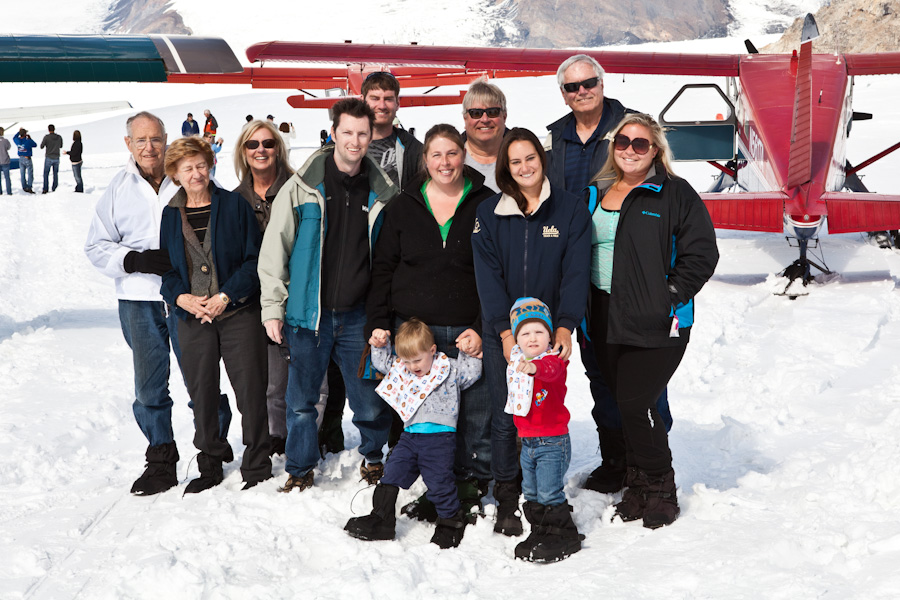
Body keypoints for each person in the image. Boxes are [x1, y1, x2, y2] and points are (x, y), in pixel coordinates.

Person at [84, 111, 231, 496]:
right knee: (149, 387)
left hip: (188, 298)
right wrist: (133, 260)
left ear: (167, 139)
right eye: (141, 140)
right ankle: (161, 458)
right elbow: (97, 245)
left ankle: (211, 451)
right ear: (129, 144)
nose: (149, 148)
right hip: (139, 300)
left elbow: (221, 225)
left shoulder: (188, 176)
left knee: (201, 378)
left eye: (156, 139)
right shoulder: (119, 188)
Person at [257, 98, 399, 493]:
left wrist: (384, 315)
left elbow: (390, 259)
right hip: (308, 314)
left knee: (368, 400)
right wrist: (273, 307)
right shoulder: (302, 187)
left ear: (372, 136)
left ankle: (373, 457)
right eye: (347, 132)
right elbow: (275, 250)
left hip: (358, 316)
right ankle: (300, 468)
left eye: (362, 133)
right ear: (333, 132)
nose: (354, 141)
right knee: (302, 401)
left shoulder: (382, 192)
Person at [545, 54, 671, 495]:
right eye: (571, 87)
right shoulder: (557, 138)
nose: (581, 91)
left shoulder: (630, 128)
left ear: (602, 82)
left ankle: (649, 463)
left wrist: (667, 285)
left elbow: (665, 196)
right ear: (562, 93)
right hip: (586, 277)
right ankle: (615, 458)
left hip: (636, 280)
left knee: (643, 378)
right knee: (600, 373)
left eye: (588, 82)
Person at [586, 113, 718, 528]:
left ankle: (662, 487)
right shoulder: (595, 193)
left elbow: (702, 254)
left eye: (640, 143)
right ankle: (638, 484)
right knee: (621, 404)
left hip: (658, 320)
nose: (629, 149)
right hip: (603, 315)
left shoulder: (675, 194)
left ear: (655, 150)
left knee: (637, 403)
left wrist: (669, 295)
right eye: (623, 141)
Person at [365, 123, 497, 521]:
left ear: (464, 156)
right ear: (424, 161)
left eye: (452, 153)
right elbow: (383, 270)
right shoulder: (403, 206)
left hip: (465, 332)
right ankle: (436, 484)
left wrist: (479, 323)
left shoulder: (485, 203)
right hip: (415, 332)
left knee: (474, 412)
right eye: (436, 154)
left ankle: (472, 481)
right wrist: (379, 322)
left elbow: (494, 271)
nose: (445, 162)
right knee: (423, 418)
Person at [471, 127, 590, 536]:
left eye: (530, 158)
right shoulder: (489, 213)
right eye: (515, 161)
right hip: (504, 336)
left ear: (543, 159)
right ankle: (509, 496)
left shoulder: (570, 209)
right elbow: (487, 278)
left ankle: (548, 494)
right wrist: (505, 334)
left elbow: (576, 272)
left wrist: (566, 325)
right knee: (508, 416)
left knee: (547, 415)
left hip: (547, 337)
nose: (524, 168)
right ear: (505, 167)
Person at [159, 136, 272, 493]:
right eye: (187, 168)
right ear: (175, 175)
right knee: (203, 392)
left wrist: (226, 294)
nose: (196, 174)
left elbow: (255, 260)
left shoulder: (235, 206)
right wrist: (182, 298)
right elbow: (168, 270)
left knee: (250, 391)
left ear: (211, 166)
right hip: (193, 318)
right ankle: (210, 460)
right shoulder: (169, 214)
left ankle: (257, 464)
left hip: (236, 312)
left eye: (201, 165)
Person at [344, 318, 482, 548]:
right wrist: (380, 344)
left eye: (417, 360)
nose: (412, 367)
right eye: (407, 361)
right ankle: (382, 518)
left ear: (433, 350)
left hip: (439, 439)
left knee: (439, 481)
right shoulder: (404, 370)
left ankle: (451, 521)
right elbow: (382, 363)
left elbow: (472, 373)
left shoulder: (448, 368)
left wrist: (469, 351)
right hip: (409, 437)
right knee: (392, 474)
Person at [506, 297, 582, 563]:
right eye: (525, 333)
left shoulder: (553, 361)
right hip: (527, 442)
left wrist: (533, 367)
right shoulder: (516, 360)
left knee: (550, 491)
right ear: (517, 339)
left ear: (549, 335)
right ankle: (541, 531)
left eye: (540, 331)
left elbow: (549, 371)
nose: (533, 337)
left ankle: (563, 534)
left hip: (552, 441)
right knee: (532, 491)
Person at [234, 119, 294, 456]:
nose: (261, 150)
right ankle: (273, 433)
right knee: (267, 376)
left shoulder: (298, 188)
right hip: (250, 298)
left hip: (294, 293)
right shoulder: (234, 198)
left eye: (268, 144)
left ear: (278, 149)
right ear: (243, 152)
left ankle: (309, 434)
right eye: (253, 145)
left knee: (304, 375)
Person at [361, 72, 423, 191]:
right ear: (362, 101)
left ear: (398, 103)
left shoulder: (415, 150)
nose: (382, 106)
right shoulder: (342, 146)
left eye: (388, 99)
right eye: (375, 98)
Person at [462, 80, 508, 193]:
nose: (485, 119)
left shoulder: (525, 156)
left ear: (504, 116)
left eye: (492, 112)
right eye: (476, 113)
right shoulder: (448, 161)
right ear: (465, 119)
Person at [13, 128, 37, 194]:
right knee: (30, 173)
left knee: (22, 173)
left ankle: (24, 186)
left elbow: (14, 137)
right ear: (25, 134)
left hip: (21, 158)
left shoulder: (17, 140)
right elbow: (35, 145)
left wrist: (19, 132)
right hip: (27, 158)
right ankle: (29, 187)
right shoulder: (28, 141)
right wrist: (30, 138)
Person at [0, 127, 12, 195]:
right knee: (7, 178)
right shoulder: (5, 141)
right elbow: (8, 147)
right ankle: (9, 191)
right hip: (5, 160)